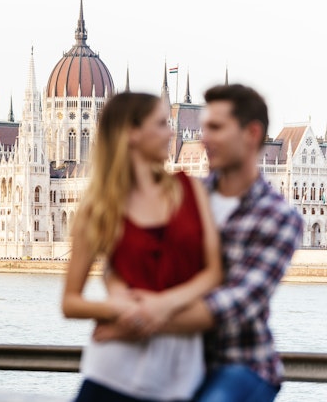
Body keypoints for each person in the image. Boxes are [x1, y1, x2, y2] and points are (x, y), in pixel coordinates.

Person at [93, 84, 304, 401]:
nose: (204, 137)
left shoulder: (279, 217)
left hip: (240, 363)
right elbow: (126, 258)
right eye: (204, 127)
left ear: (251, 133)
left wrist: (134, 320)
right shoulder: (181, 194)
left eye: (216, 128)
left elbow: (236, 302)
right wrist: (123, 294)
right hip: (173, 356)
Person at [62, 92, 223, 401]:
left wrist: (156, 307)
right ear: (132, 133)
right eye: (161, 124)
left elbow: (214, 273)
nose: (171, 132)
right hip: (111, 372)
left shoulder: (190, 190)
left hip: (177, 375)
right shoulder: (98, 208)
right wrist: (118, 308)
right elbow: (71, 302)